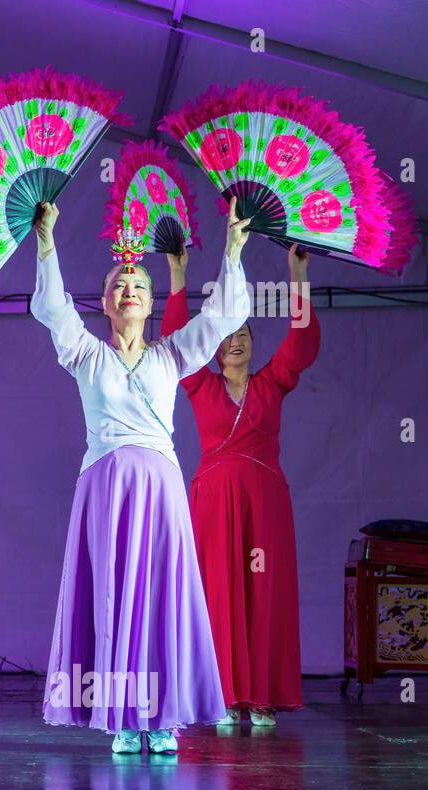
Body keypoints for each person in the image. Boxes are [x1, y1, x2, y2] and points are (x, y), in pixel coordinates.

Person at [31, 198, 253, 754]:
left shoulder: (172, 354)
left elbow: (223, 317)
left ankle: (164, 716)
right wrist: (47, 242)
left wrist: (230, 250)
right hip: (106, 488)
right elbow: (53, 309)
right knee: (112, 595)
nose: (128, 288)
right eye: (117, 283)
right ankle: (122, 716)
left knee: (161, 597)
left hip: (160, 488)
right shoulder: (84, 352)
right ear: (105, 303)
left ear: (151, 302)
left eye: (137, 283)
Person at [161, 242, 320, 726]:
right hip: (213, 503)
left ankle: (263, 696)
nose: (235, 341)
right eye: (227, 335)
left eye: (244, 334)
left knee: (262, 592)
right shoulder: (200, 384)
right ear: (214, 346)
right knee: (217, 593)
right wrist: (177, 277)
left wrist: (297, 277)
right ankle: (224, 696)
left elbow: (302, 344)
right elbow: (173, 336)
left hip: (265, 503)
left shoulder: (272, 383)